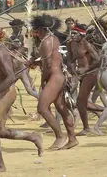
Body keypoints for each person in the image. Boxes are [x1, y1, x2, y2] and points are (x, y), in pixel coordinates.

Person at [0, 18, 42, 172]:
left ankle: (0, 164)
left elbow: (11, 77)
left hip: (6, 93)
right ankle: (32, 136)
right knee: (0, 131)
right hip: (1, 93)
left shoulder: (0, 52)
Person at [31, 14, 78, 150]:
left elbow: (49, 65)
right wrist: (34, 62)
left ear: (41, 29)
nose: (36, 33)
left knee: (42, 108)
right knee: (62, 108)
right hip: (59, 75)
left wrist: (43, 80)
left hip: (54, 76)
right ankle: (72, 138)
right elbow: (51, 60)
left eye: (37, 30)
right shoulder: (54, 39)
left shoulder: (45, 42)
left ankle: (59, 136)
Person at [66, 23, 102, 135]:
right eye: (71, 33)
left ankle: (86, 128)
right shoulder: (70, 44)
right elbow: (69, 60)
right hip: (79, 74)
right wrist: (73, 72)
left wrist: (86, 69)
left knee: (80, 102)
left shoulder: (86, 44)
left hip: (92, 73)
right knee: (82, 103)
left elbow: (98, 60)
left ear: (81, 34)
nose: (72, 36)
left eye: (75, 34)